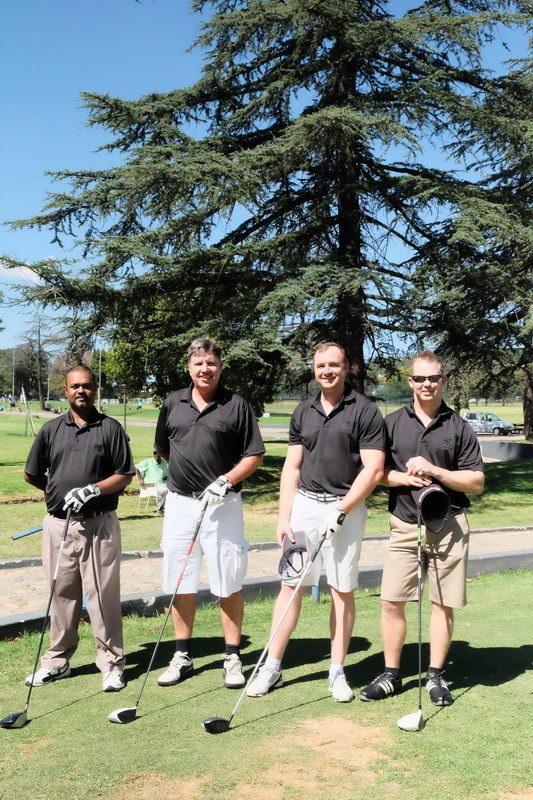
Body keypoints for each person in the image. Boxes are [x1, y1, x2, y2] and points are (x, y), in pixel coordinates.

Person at [246, 342, 385, 702]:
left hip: (346, 509)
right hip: (305, 507)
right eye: (321, 365)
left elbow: (373, 470)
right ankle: (272, 667)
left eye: (333, 365)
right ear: (314, 369)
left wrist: (342, 509)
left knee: (342, 589)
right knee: (290, 585)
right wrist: (284, 517)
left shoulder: (365, 410)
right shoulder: (303, 410)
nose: (327, 371)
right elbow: (292, 467)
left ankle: (337, 671)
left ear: (346, 367)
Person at [360, 350, 484, 707]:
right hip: (404, 524)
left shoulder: (458, 426)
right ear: (410, 381)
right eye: (419, 378)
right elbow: (376, 472)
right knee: (391, 601)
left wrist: (435, 471)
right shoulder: (391, 423)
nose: (426, 384)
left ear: (442, 380)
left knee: (443, 603)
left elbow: (476, 481)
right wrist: (403, 478)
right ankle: (391, 674)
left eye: (433, 378)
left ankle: (435, 676)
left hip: (449, 526)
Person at [154, 337, 264, 689]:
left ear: (220, 367)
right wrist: (186, 479)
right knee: (179, 580)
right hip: (180, 504)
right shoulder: (173, 402)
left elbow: (254, 455)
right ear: (189, 367)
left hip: (223, 505)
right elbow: (164, 450)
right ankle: (182, 655)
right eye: (199, 363)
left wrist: (226, 480)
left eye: (211, 363)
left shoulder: (237, 405)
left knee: (228, 580)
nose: (205, 369)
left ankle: (232, 656)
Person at [24, 365, 135, 692]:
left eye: (86, 385)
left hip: (98, 524)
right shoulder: (51, 429)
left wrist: (93, 490)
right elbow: (32, 473)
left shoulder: (110, 428)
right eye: (75, 386)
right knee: (61, 595)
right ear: (66, 390)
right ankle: (57, 662)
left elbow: (124, 474)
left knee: (102, 596)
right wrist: (55, 492)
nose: (81, 391)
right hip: (59, 525)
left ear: (94, 389)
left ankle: (112, 664)